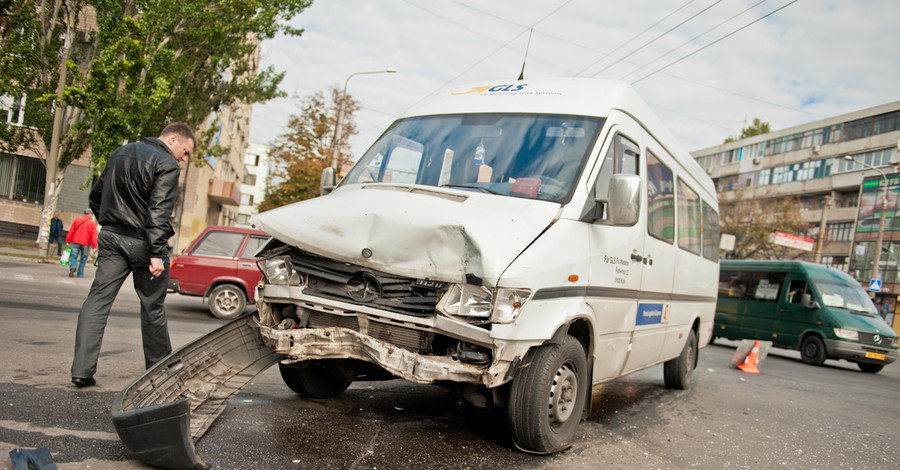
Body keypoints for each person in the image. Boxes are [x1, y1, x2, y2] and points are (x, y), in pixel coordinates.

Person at [70, 123, 194, 387]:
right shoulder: (167, 164)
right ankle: (160, 372)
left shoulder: (119, 153)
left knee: (97, 300)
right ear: (173, 139)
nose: (184, 159)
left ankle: (81, 370)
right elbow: (159, 213)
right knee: (152, 307)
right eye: (185, 152)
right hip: (144, 244)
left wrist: (110, 224)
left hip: (112, 238)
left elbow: (95, 197)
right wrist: (157, 253)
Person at [65, 209, 98, 277]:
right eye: (91, 214)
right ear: (89, 214)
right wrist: (94, 246)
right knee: (83, 258)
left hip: (75, 241)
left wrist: (68, 241)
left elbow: (71, 231)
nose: (92, 215)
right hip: (85, 243)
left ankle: (73, 266)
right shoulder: (92, 223)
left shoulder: (77, 220)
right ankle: (80, 273)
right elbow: (93, 235)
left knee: (73, 256)